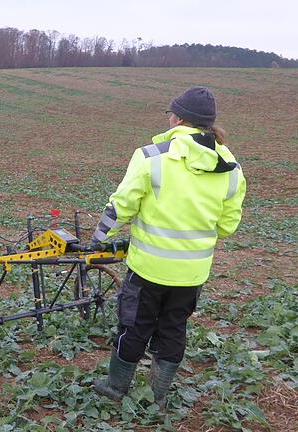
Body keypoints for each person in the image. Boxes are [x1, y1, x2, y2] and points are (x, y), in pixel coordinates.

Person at [91, 87, 246, 409]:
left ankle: (116, 387)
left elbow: (122, 206)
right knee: (174, 329)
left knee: (134, 327)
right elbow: (228, 225)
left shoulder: (152, 156)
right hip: (192, 273)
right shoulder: (231, 165)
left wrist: (98, 239)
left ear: (178, 119)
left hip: (148, 268)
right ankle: (157, 396)